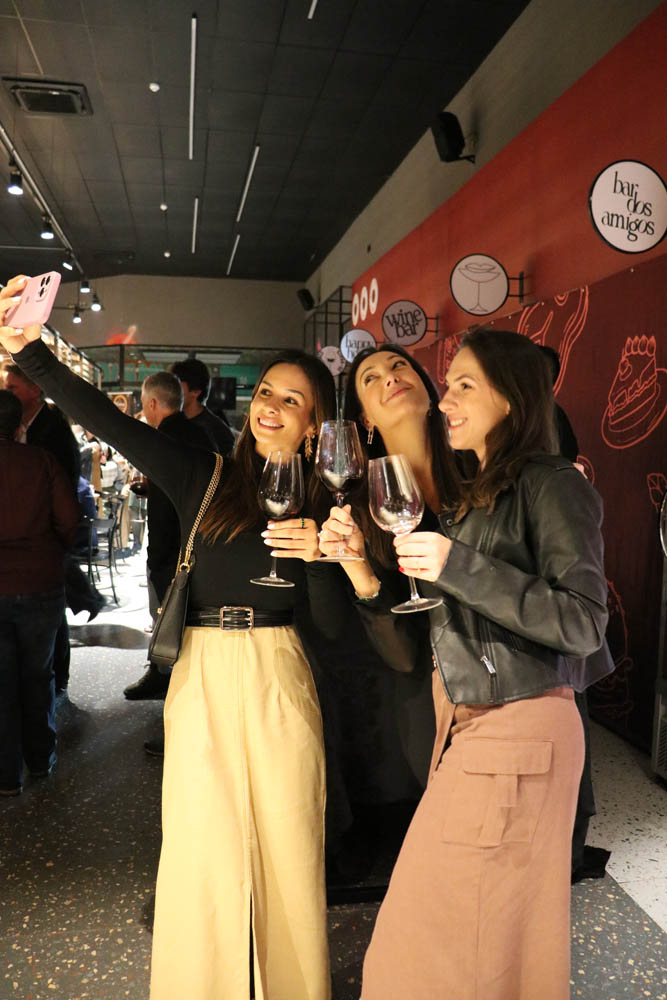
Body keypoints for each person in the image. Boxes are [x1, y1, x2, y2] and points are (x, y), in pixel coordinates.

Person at [0, 272, 338, 1000]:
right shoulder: (205, 475)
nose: (272, 407)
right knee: (201, 843)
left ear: (316, 424)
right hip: (205, 666)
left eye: (293, 400)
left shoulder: (331, 500)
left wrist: (336, 555)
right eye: (267, 393)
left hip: (281, 668)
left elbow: (344, 621)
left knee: (287, 840)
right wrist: (29, 353)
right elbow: (107, 420)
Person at [320, 332, 612, 1000]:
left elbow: (583, 623)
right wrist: (358, 564)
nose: (444, 398)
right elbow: (418, 643)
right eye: (447, 383)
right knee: (498, 945)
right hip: (467, 726)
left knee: (422, 950)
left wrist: (457, 566)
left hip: (516, 727)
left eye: (463, 385)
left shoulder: (550, 482)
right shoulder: (475, 495)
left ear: (511, 398)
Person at [0, 389, 79, 796]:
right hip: (40, 583)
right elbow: (69, 520)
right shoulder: (42, 461)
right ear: (19, 426)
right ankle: (40, 758)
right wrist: (49, 550)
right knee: (37, 673)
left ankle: (5, 775)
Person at [123, 372, 212, 706]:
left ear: (152, 403)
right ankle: (175, 678)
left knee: (166, 613)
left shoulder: (159, 440)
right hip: (201, 540)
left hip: (170, 543)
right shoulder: (201, 435)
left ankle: (164, 678)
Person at [4, 363, 81, 693]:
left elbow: (66, 504)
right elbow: (69, 516)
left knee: (19, 674)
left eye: (12, 387)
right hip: (39, 568)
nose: (7, 392)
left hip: (37, 563)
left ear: (35, 390)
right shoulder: (37, 450)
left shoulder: (52, 433)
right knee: (36, 671)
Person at [170, 357, 235, 456]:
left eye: (176, 386)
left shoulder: (218, 432)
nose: (171, 391)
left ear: (196, 391)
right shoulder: (172, 423)